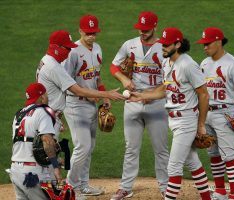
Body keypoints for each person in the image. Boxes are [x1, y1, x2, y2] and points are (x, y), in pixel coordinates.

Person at [129, 27, 212, 200]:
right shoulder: (167, 62)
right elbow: (166, 88)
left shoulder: (188, 65)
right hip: (174, 120)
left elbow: (203, 94)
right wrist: (143, 95)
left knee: (173, 167)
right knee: (192, 162)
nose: (163, 48)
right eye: (162, 44)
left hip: (187, 120)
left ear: (178, 44)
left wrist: (201, 125)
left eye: (166, 45)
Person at [109, 11, 170, 200]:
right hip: (133, 102)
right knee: (131, 147)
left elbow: (169, 79)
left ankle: (166, 187)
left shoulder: (163, 49)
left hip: (157, 104)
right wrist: (123, 79)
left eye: (146, 29)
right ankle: (125, 187)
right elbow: (114, 67)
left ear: (155, 27)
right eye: (140, 29)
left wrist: (151, 95)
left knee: (160, 148)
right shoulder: (130, 45)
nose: (143, 32)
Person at [36, 30, 125, 139]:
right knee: (52, 153)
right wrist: (107, 94)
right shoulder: (54, 67)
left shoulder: (46, 60)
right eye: (67, 48)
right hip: (50, 117)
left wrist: (58, 119)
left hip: (49, 116)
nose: (69, 52)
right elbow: (77, 90)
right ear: (56, 48)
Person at [197, 27, 234, 200]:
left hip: (226, 114)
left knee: (228, 155)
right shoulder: (204, 64)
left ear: (219, 42)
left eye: (208, 44)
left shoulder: (232, 64)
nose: (204, 47)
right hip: (207, 113)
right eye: (203, 44)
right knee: (213, 153)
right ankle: (220, 191)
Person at [62, 14, 108, 196]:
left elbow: (97, 76)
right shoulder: (72, 52)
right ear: (80, 31)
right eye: (88, 33)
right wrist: (88, 95)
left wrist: (104, 96)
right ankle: (69, 188)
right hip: (74, 104)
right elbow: (65, 82)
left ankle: (83, 185)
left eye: (94, 33)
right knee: (83, 146)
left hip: (92, 104)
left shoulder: (97, 48)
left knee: (90, 147)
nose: (91, 36)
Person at [10, 82, 61, 200]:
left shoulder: (19, 114)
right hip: (32, 173)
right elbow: (47, 142)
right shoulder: (43, 112)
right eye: (46, 95)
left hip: (15, 171)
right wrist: (55, 167)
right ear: (42, 96)